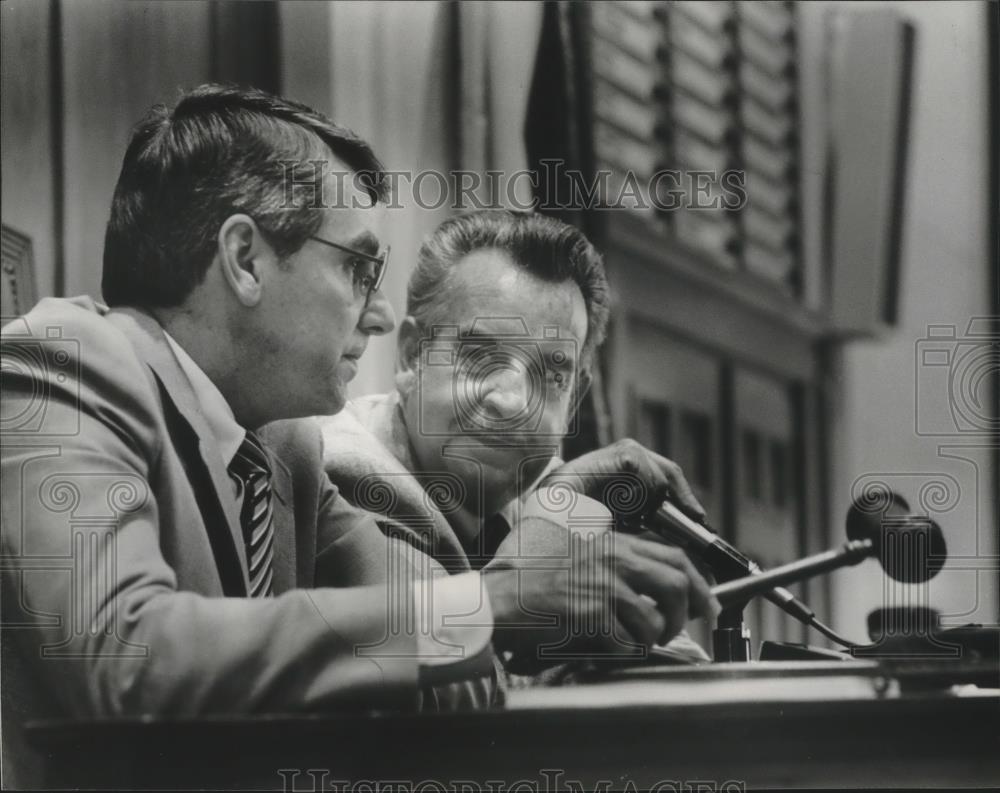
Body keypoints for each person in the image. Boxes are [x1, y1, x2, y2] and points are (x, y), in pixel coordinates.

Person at [0, 86, 718, 786]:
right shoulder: (64, 360)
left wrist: (541, 578)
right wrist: (495, 601)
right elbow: (124, 661)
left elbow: (454, 681)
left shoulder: (285, 447)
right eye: (357, 268)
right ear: (245, 259)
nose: (376, 317)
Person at [320, 209, 714, 671]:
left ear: (573, 400)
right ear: (412, 357)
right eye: (480, 356)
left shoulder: (546, 487)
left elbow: (679, 664)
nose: (512, 403)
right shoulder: (349, 470)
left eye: (550, 375)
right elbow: (451, 684)